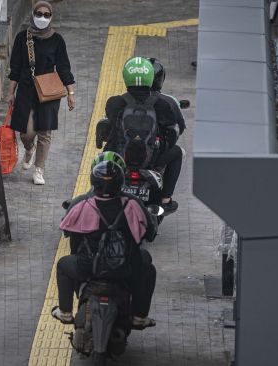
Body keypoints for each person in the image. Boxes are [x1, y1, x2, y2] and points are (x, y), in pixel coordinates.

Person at [51, 153, 158, 329]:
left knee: (63, 265)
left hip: (88, 268)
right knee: (148, 267)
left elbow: (67, 231)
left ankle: (65, 313)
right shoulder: (133, 204)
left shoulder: (82, 204)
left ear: (93, 181)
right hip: (125, 268)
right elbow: (150, 233)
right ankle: (140, 317)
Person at [6, 0, 76, 185]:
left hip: (49, 91)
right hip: (27, 90)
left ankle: (39, 170)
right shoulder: (23, 37)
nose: (42, 18)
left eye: (46, 15)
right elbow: (15, 67)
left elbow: (63, 67)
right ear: (33, 14)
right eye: (39, 14)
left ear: (51, 17)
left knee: (45, 131)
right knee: (26, 133)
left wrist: (70, 93)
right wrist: (11, 92)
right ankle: (29, 149)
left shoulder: (57, 40)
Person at [104, 56, 183, 214]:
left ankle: (99, 192)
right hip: (150, 161)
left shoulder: (114, 102)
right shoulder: (162, 104)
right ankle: (166, 199)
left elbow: (108, 129)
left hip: (119, 158)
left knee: (102, 159)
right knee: (178, 152)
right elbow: (172, 135)